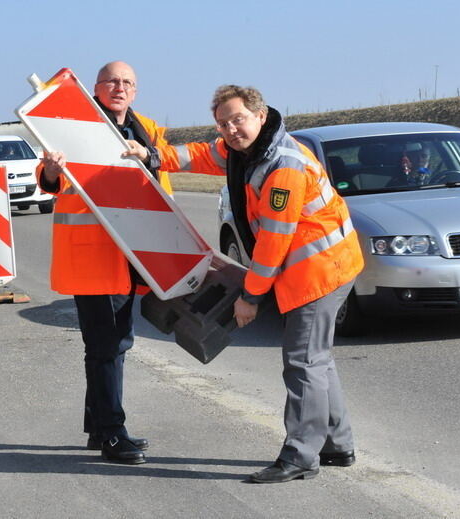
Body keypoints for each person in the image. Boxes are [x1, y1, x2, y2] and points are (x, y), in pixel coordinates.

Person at [125, 85, 365, 483]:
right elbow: (201, 154)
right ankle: (337, 445)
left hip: (320, 269)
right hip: (321, 264)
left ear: (259, 114)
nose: (231, 129)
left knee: (303, 362)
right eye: (223, 123)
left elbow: (273, 242)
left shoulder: (283, 166)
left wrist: (251, 297)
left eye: (237, 119)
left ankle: (300, 456)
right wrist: (152, 155)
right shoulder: (246, 149)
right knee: (316, 360)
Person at [37, 61, 170, 465]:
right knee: (106, 347)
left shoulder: (145, 126)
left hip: (131, 255)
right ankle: (113, 434)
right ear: (95, 87)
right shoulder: (75, 122)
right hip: (92, 257)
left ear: (136, 90)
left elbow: (159, 173)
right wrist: (52, 170)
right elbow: (48, 176)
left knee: (115, 344)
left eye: (128, 82)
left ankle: (99, 428)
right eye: (112, 80)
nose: (120, 87)